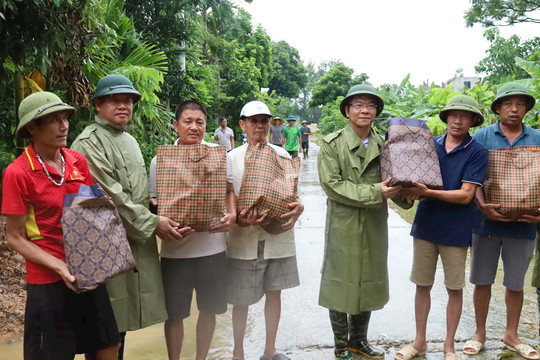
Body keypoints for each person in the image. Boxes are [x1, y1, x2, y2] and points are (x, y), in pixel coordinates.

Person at [71, 74, 186, 359]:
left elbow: (139, 193)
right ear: (98, 105)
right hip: (103, 245)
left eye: (128, 101)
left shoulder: (131, 141)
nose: (123, 106)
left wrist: (162, 208)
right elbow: (109, 197)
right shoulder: (88, 143)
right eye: (114, 100)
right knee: (104, 329)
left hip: (132, 242)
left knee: (118, 326)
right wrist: (152, 222)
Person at [2, 92, 121, 359]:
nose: (64, 126)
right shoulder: (18, 173)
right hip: (48, 282)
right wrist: (59, 266)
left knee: (109, 346)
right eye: (53, 120)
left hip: (87, 270)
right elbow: (15, 237)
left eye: (65, 118)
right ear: (32, 128)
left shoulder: (76, 161)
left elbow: (90, 210)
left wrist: (103, 203)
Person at [317, 84, 408, 360]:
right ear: (347, 111)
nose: (365, 110)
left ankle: (359, 341)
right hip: (343, 225)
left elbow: (398, 181)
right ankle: (340, 346)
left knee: (368, 280)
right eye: (358, 104)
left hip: (374, 223)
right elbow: (332, 185)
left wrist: (411, 193)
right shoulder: (332, 144)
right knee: (340, 282)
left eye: (370, 105)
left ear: (377, 112)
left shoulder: (387, 144)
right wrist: (375, 191)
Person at [395, 95, 489, 360]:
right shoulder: (429, 145)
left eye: (464, 116)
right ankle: (419, 342)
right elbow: (413, 177)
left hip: (456, 229)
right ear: (446, 118)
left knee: (454, 288)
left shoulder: (477, 151)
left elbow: (466, 195)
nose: (457, 120)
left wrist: (430, 193)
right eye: (452, 115)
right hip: (425, 225)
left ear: (473, 121)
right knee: (422, 285)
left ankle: (449, 346)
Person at [148, 100, 236, 360]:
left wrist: (231, 214)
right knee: (174, 314)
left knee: (209, 310)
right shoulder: (159, 161)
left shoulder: (219, 155)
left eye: (200, 122)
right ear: (176, 125)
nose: (194, 127)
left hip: (213, 248)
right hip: (175, 252)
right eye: (187, 121)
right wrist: (158, 225)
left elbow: (230, 191)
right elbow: (154, 203)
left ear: (206, 126)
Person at [464, 82, 540, 360]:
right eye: (508, 104)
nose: (514, 109)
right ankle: (480, 333)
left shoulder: (538, 138)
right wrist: (482, 205)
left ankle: (511, 334)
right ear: (497, 108)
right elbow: (471, 174)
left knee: (515, 283)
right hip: (486, 223)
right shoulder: (482, 136)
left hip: (524, 224)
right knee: (482, 280)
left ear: (526, 109)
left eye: (520, 104)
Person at [227, 100, 304, 360]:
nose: (260, 125)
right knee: (240, 299)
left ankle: (269, 350)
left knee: (275, 292)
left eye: (265, 121)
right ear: (243, 125)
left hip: (277, 237)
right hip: (243, 239)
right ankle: (238, 351)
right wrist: (237, 217)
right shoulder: (231, 159)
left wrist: (299, 208)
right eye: (253, 121)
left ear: (271, 125)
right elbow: (224, 201)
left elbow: (293, 196)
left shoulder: (283, 156)